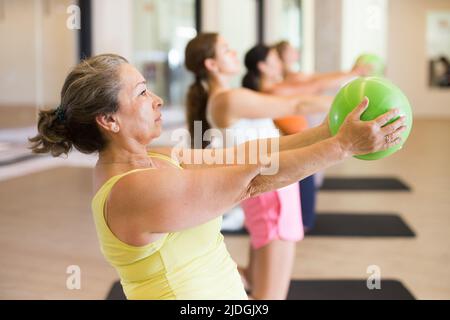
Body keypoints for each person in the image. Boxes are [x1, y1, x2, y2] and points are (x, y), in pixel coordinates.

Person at [29, 53, 406, 300]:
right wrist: (341, 147)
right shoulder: (131, 192)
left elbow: (244, 156)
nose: (158, 100)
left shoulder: (153, 158)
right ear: (108, 119)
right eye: (143, 93)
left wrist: (328, 131)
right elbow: (251, 179)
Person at [184, 33, 402, 299]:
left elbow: (299, 97)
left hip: (264, 192)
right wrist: (359, 103)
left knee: (254, 279)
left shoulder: (223, 99)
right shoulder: (230, 99)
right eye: (226, 49)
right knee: (270, 296)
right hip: (272, 195)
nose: (234, 53)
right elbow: (295, 104)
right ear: (211, 65)